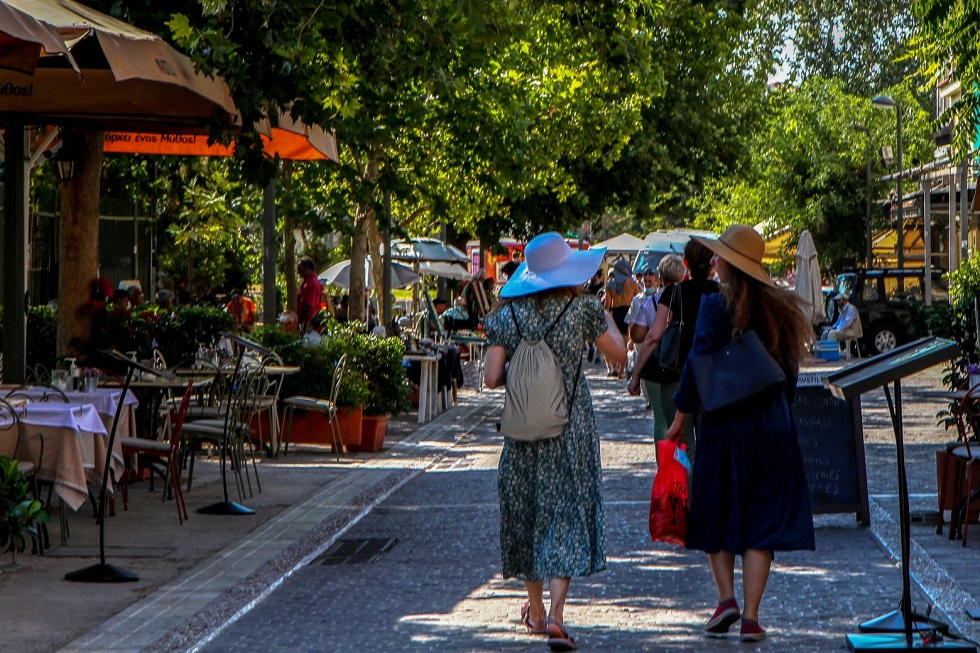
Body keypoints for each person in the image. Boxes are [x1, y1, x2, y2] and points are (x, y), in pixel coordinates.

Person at [664, 224, 815, 643]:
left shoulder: (715, 306)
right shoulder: (781, 307)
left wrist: (680, 416)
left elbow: (697, 361)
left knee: (715, 508)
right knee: (762, 518)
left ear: (730, 264)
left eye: (718, 256)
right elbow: (790, 374)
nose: (712, 261)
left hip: (725, 425)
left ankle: (726, 599)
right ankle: (751, 616)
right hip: (773, 425)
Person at [482, 232, 626, 652]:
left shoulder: (506, 317)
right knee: (565, 512)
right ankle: (559, 615)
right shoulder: (583, 309)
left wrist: (527, 372)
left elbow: (491, 378)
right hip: (571, 425)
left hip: (524, 427)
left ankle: (535, 609)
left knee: (526, 511)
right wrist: (602, 315)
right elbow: (617, 354)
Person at [629, 241, 718, 454]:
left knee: (683, 444)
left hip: (676, 375)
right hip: (713, 377)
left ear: (686, 263)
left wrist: (636, 375)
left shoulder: (675, 292)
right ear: (713, 264)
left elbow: (653, 336)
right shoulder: (723, 293)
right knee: (709, 446)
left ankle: (685, 487)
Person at [627, 256, 687, 438]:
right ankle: (683, 464)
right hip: (680, 363)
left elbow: (637, 336)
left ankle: (664, 463)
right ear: (683, 275)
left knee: (660, 418)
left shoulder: (650, 302)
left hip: (654, 363)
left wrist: (635, 375)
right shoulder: (688, 298)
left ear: (660, 276)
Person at [601, 258, 639, 377]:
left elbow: (607, 304)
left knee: (614, 341)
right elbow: (636, 299)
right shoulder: (633, 283)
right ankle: (622, 370)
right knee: (625, 341)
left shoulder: (610, 284)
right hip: (628, 311)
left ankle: (613, 367)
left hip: (615, 312)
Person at [296, 256, 324, 330]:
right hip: (308, 321)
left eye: (299, 268)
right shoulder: (309, 282)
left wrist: (299, 322)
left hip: (308, 322)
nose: (297, 271)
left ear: (307, 268)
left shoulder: (311, 283)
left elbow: (308, 305)